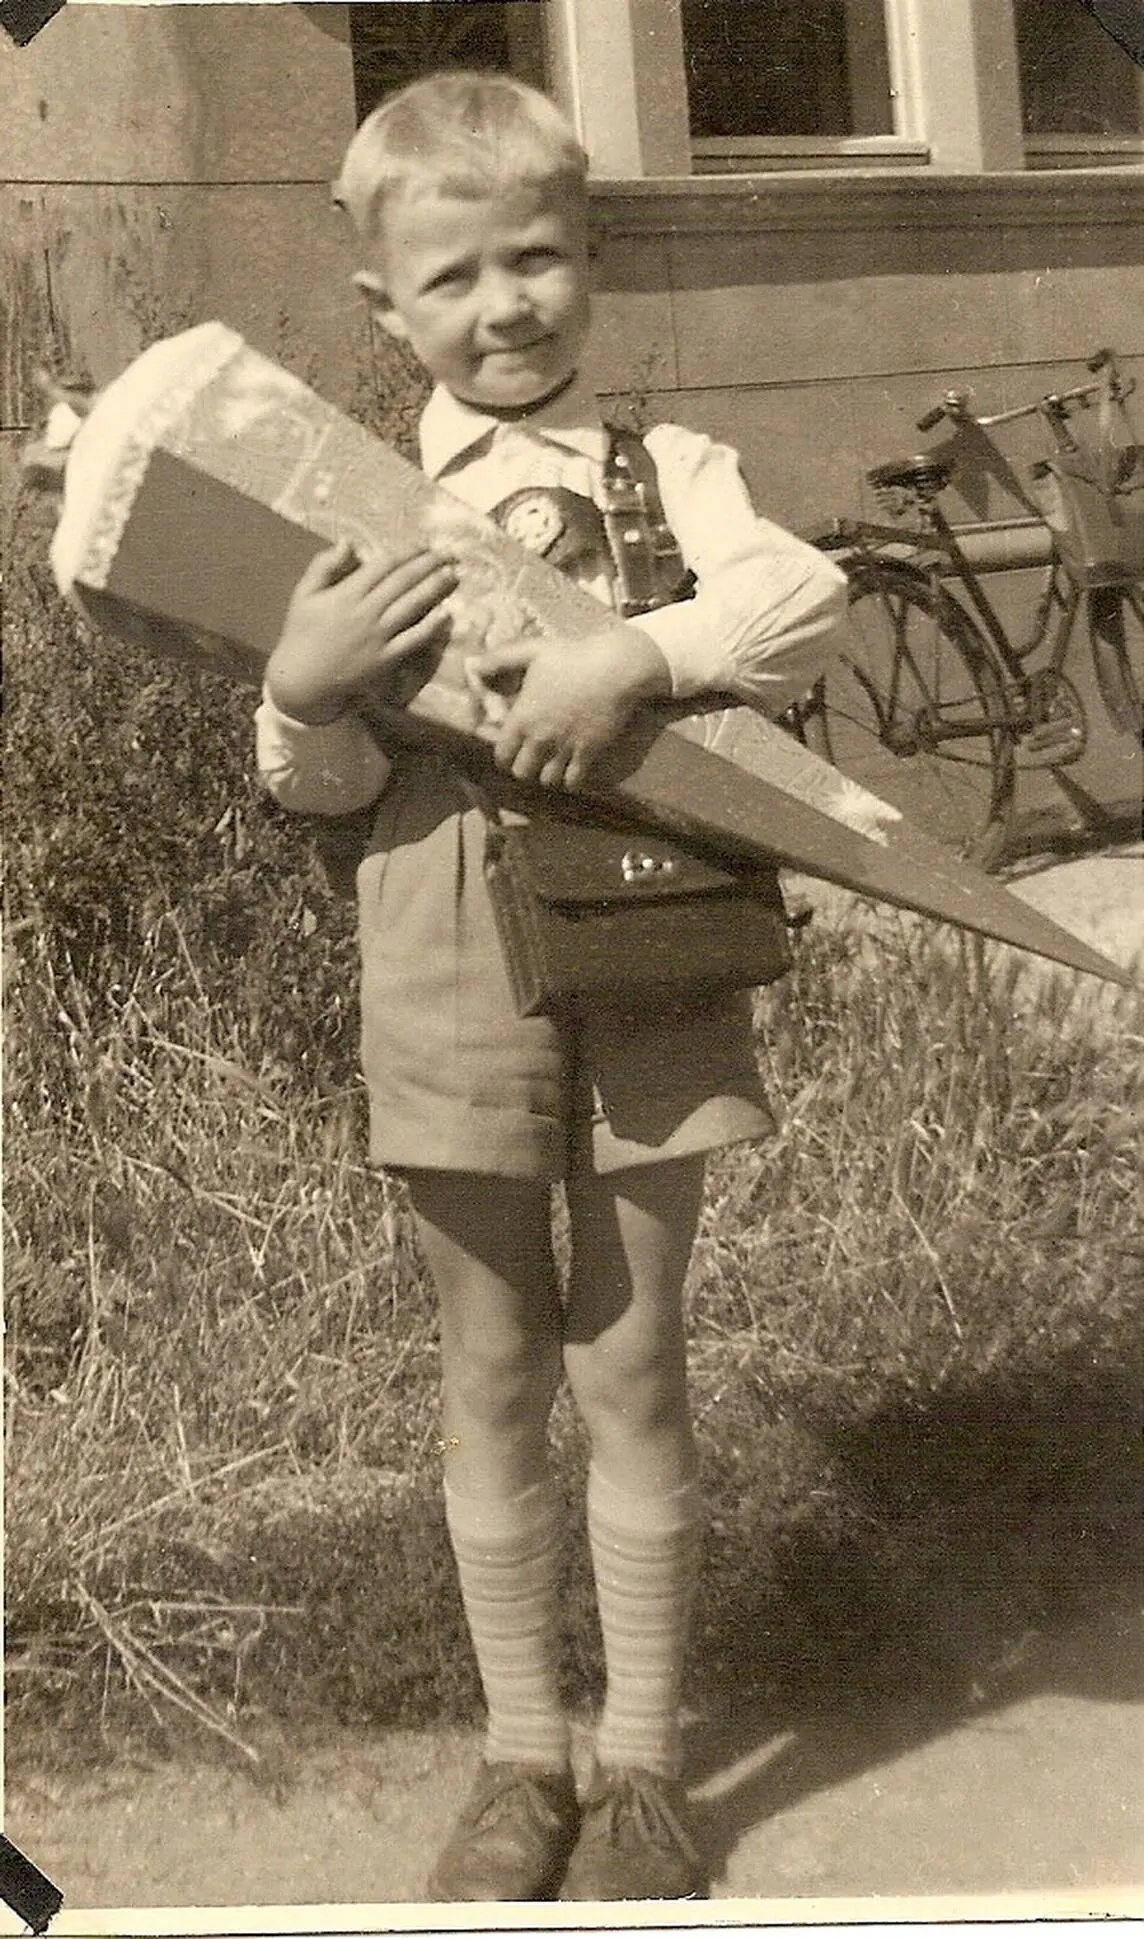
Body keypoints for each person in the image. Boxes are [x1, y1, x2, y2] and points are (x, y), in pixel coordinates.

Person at [256, 71, 846, 1903]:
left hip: (650, 915)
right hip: (435, 923)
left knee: (639, 1348)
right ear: (385, 311)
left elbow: (804, 597)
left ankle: (650, 1761)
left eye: (540, 259)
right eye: (455, 278)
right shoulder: (344, 503)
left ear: (591, 258)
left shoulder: (672, 473)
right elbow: (320, 797)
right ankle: (527, 1755)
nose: (506, 305)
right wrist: (306, 680)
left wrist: (633, 657)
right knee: (494, 1356)